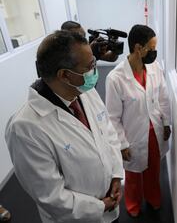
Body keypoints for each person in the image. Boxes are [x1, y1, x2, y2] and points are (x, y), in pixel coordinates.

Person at [5, 31, 124, 223]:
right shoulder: (25, 128)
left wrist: (116, 175)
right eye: (90, 66)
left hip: (111, 204)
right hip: (78, 218)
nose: (95, 71)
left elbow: (108, 132)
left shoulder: (85, 92)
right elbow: (50, 196)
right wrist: (100, 206)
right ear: (65, 75)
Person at [106, 25, 171, 217]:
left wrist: (167, 122)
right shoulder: (115, 79)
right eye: (151, 48)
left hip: (154, 131)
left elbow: (163, 98)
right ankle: (133, 204)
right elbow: (112, 117)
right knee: (133, 175)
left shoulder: (154, 68)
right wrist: (122, 144)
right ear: (138, 48)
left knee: (153, 170)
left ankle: (153, 198)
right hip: (132, 135)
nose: (154, 53)